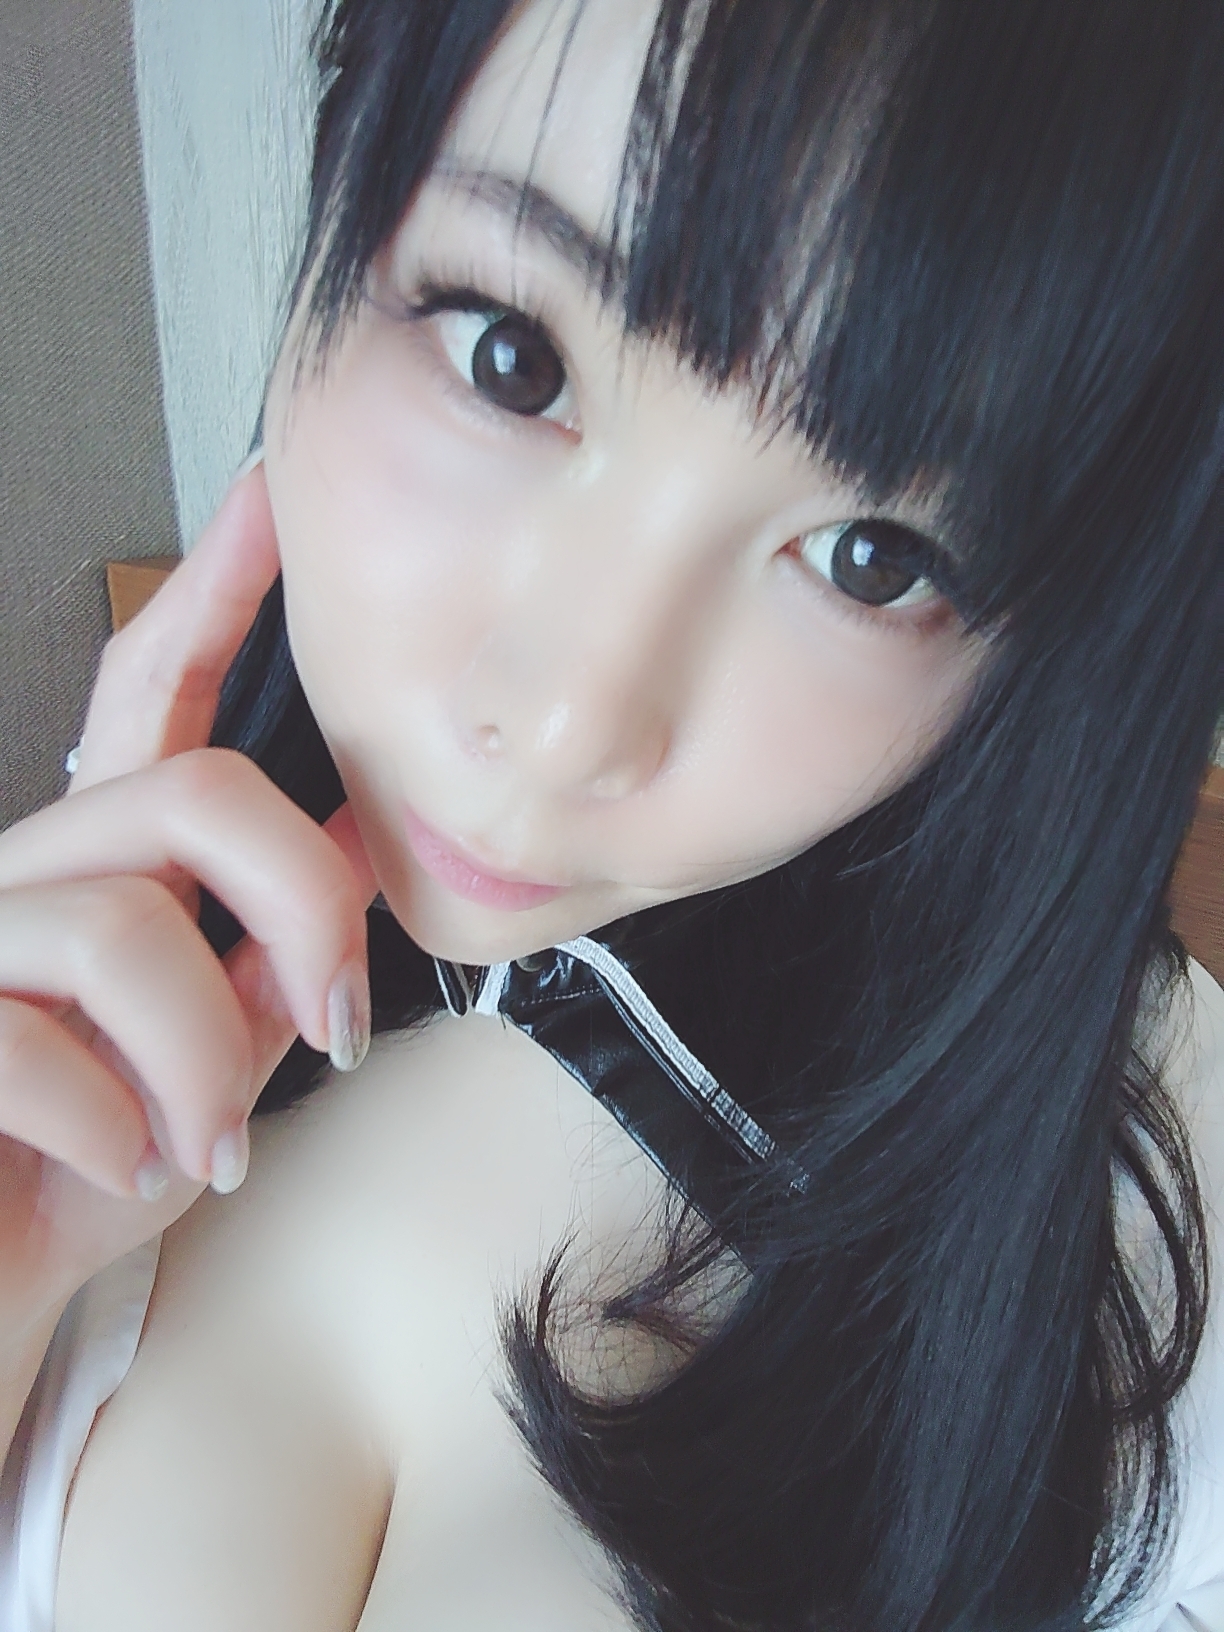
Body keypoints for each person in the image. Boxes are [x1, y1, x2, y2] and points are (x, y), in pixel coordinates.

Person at [1, 0, 1222, 1627]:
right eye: (511, 355)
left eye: (871, 558)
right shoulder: (69, 990)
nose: (569, 724)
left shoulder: (1152, 1218)